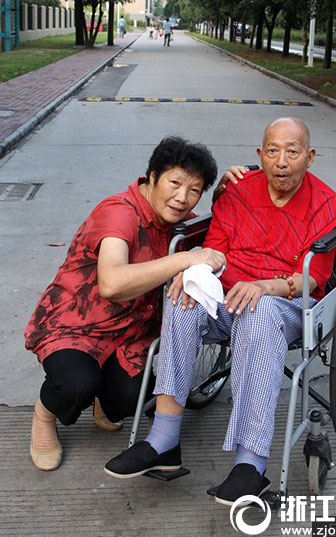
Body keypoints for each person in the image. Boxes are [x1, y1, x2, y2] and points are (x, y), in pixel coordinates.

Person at [104, 117, 336, 506]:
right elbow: (214, 248)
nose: (281, 161)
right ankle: (164, 440)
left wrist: (267, 287)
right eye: (272, 151)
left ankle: (251, 464)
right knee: (183, 297)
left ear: (310, 157)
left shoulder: (325, 202)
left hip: (284, 305)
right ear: (259, 156)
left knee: (261, 312)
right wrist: (193, 274)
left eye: (292, 151)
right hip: (229, 298)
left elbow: (313, 277)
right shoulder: (237, 192)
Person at [25, 136, 244, 472]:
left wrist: (222, 196)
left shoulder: (174, 219)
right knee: (76, 385)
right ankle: (45, 415)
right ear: (152, 176)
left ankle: (105, 404)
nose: (182, 198)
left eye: (195, 190)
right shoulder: (118, 213)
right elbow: (112, 284)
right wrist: (183, 260)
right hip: (77, 326)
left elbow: (210, 238)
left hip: (130, 334)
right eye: (175, 183)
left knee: (131, 399)